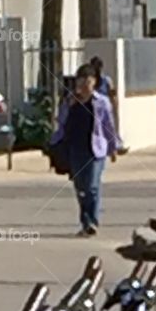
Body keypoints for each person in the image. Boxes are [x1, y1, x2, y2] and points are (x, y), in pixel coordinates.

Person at [50, 63, 119, 237]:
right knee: (80, 187)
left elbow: (108, 125)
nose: (84, 85)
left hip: (96, 150)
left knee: (92, 186)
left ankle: (92, 222)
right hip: (75, 148)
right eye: (81, 81)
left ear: (94, 82)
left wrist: (113, 147)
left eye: (88, 81)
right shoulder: (70, 101)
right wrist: (70, 104)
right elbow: (61, 122)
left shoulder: (101, 102)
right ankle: (85, 221)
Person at [89, 56, 127, 153]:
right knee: (108, 127)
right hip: (102, 106)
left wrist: (114, 103)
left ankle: (115, 145)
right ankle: (115, 145)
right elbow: (112, 93)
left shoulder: (96, 80)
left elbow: (112, 92)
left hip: (97, 105)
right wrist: (114, 104)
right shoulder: (104, 80)